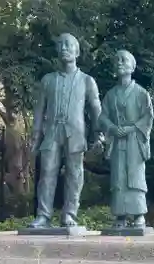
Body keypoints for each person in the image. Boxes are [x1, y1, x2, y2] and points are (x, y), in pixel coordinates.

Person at [29, 33, 102, 228]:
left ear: (77, 51)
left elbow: (95, 108)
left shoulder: (87, 80)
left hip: (76, 132)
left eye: (68, 45)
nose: (64, 48)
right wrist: (36, 135)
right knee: (47, 172)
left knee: (75, 174)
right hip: (52, 131)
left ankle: (69, 214)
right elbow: (39, 110)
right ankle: (43, 216)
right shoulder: (48, 80)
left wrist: (99, 132)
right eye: (60, 45)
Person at [98, 50, 154, 229]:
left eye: (124, 60)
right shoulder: (111, 95)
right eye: (117, 60)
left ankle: (139, 215)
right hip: (117, 141)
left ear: (133, 66)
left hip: (135, 141)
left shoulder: (141, 93)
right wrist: (113, 128)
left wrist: (132, 128)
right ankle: (120, 216)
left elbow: (148, 116)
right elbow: (102, 117)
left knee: (135, 177)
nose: (120, 62)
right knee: (118, 178)